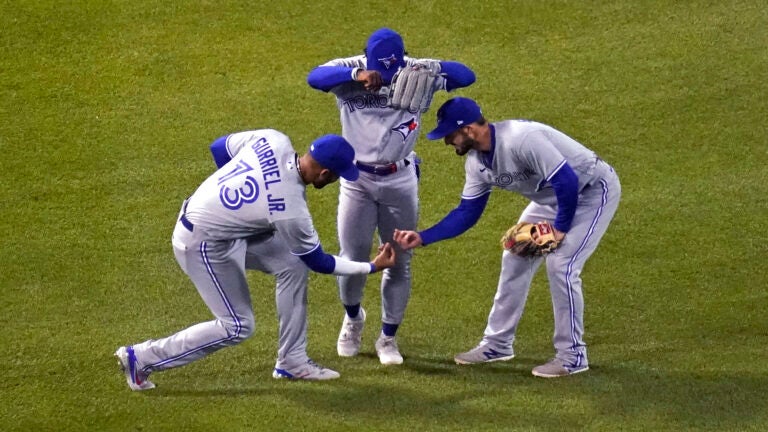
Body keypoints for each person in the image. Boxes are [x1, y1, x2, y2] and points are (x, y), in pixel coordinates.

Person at [114, 131, 397, 391]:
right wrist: (371, 266)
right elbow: (319, 262)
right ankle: (142, 357)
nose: (336, 181)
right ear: (325, 174)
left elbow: (219, 148)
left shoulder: (273, 140)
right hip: (201, 244)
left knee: (292, 263)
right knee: (237, 325)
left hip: (207, 220)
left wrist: (235, 208)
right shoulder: (291, 210)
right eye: (337, 176)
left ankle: (292, 361)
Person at [393, 97, 621, 378]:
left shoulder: (522, 140)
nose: (447, 141)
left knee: (561, 266)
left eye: (449, 134)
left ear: (467, 130)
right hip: (551, 200)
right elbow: (468, 212)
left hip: (591, 192)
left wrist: (560, 229)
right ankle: (498, 344)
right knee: (515, 255)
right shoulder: (477, 163)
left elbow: (567, 181)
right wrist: (424, 237)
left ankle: (572, 355)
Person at [306, 27, 476, 365]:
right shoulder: (350, 67)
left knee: (399, 257)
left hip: (400, 179)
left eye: (389, 71)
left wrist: (432, 68)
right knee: (353, 258)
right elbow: (315, 77)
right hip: (357, 179)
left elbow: (466, 75)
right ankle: (353, 319)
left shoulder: (414, 69)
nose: (382, 79)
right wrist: (356, 74)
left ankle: (388, 337)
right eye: (378, 71)